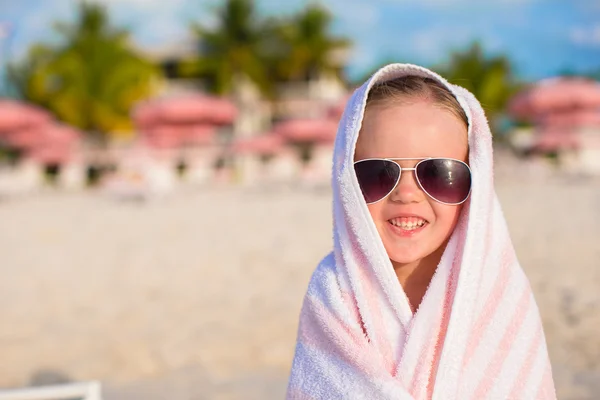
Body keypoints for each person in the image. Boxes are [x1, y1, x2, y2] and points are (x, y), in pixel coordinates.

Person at [286, 64, 556, 399]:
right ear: (346, 184)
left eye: (438, 173)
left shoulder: (502, 294)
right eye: (377, 174)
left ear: (476, 185)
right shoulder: (334, 294)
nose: (407, 193)